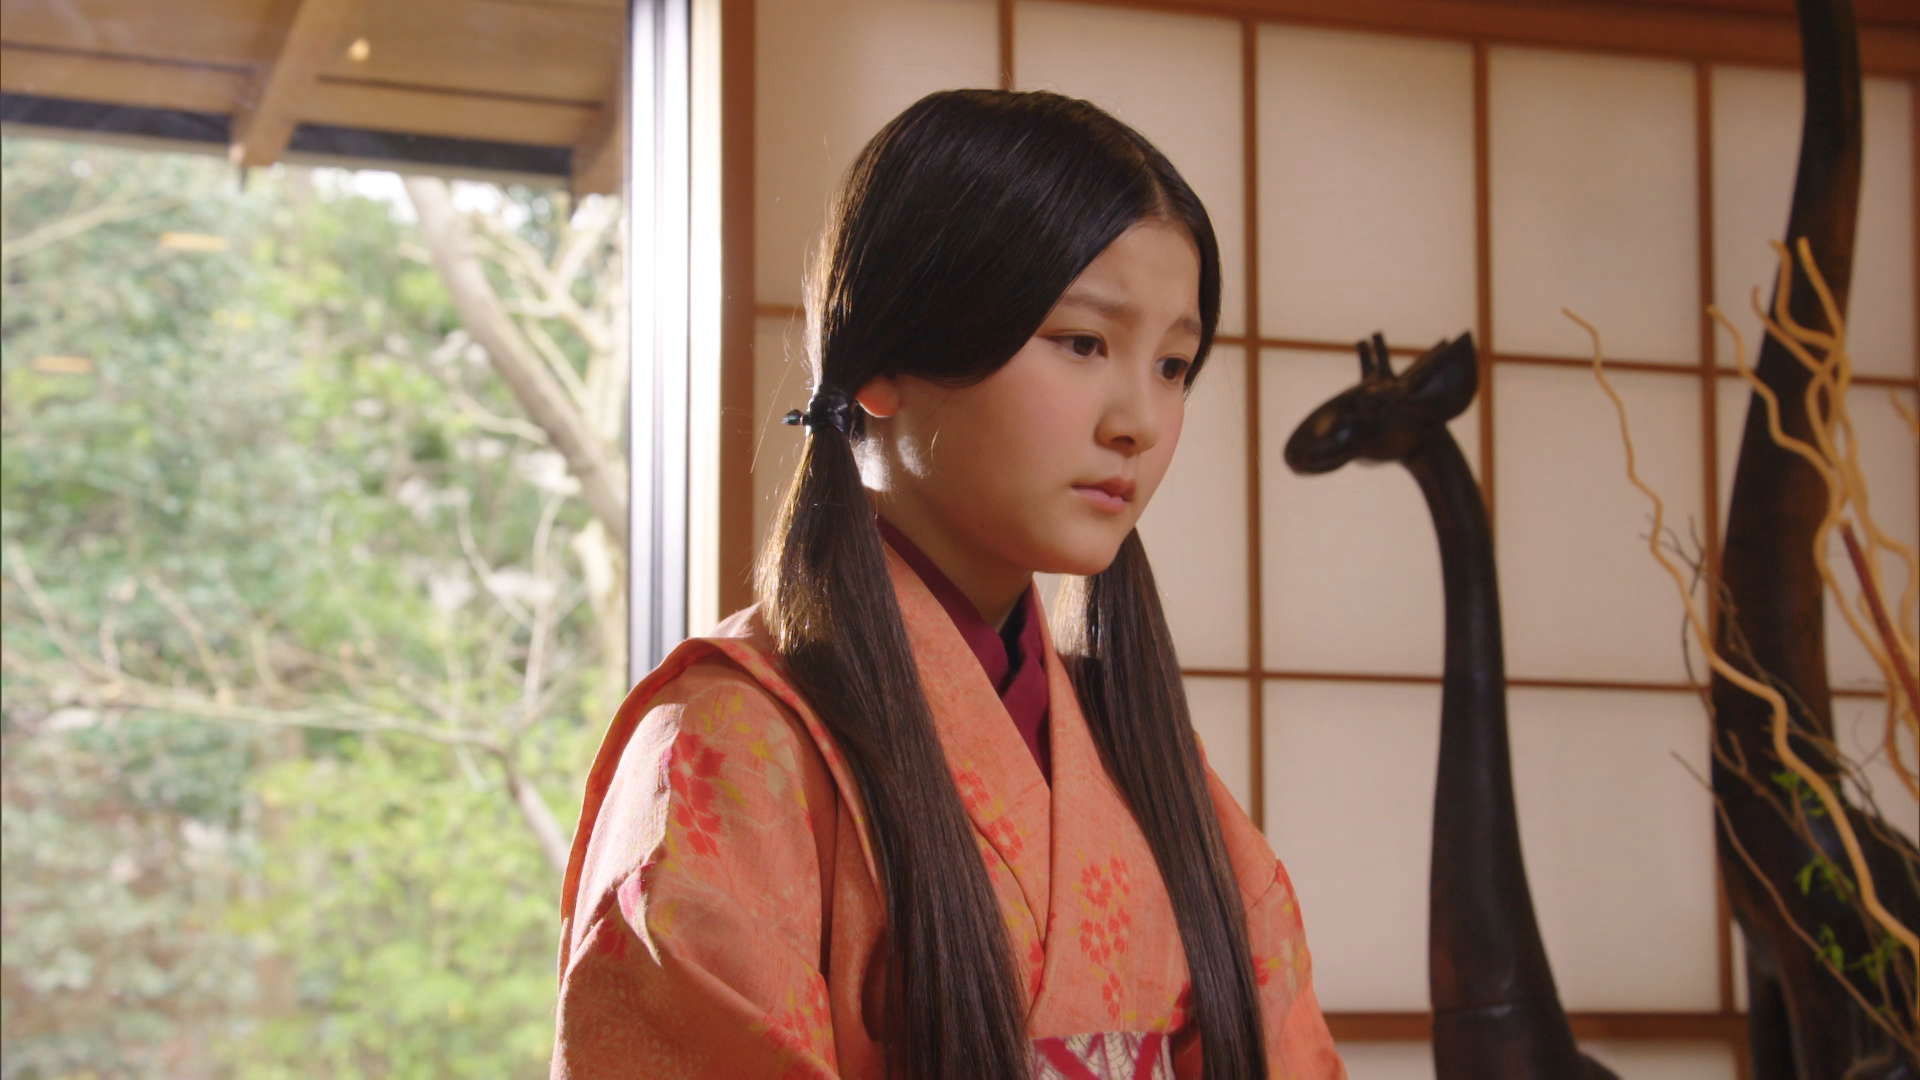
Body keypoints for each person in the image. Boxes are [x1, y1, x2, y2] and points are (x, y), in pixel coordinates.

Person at [551, 88, 1344, 1080]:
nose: (1139, 421)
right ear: (883, 359)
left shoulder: (1141, 757)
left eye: (1175, 364)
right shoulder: (729, 744)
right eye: (1084, 342)